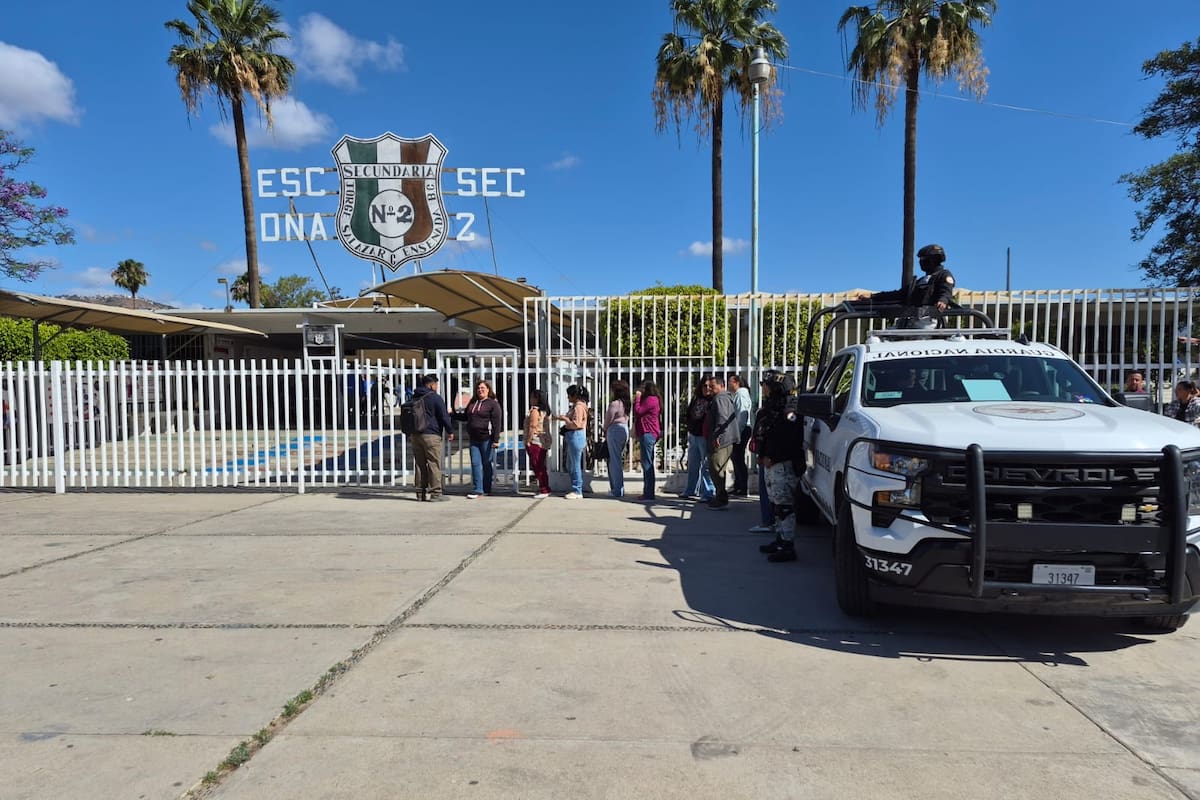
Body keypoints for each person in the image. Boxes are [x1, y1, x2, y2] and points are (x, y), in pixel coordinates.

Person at [755, 372, 804, 562]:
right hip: (771, 463)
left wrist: (773, 457)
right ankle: (779, 539)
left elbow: (790, 439)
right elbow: (768, 433)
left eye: (766, 385)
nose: (763, 388)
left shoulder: (790, 409)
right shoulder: (773, 406)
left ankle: (787, 545)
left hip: (783, 464)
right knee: (776, 504)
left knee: (784, 506)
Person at [860, 243, 956, 329]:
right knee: (884, 338)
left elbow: (946, 291)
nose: (921, 262)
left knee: (919, 339)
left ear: (934, 260)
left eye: (924, 259)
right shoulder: (918, 282)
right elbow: (898, 294)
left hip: (929, 321)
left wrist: (942, 301)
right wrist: (873, 296)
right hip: (909, 319)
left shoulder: (944, 275)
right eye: (920, 259)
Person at [409, 374, 455, 502]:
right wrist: (450, 431)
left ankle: (420, 493)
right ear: (431, 385)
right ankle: (435, 493)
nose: (436, 387)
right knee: (433, 463)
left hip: (415, 435)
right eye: (436, 384)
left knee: (419, 464)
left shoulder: (414, 397)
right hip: (431, 435)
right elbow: (444, 416)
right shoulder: (435, 398)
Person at [457, 379, 502, 499]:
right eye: (478, 388)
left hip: (486, 438)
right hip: (474, 439)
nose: (480, 390)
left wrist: (496, 440)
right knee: (475, 463)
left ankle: (487, 488)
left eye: (483, 388)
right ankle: (478, 489)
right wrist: (452, 414)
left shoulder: (493, 404)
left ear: (488, 390)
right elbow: (465, 416)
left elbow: (497, 423)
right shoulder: (473, 403)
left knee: (486, 464)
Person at [704, 374, 740, 510]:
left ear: (721, 386)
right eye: (708, 386)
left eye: (712, 386)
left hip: (722, 440)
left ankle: (721, 498)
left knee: (716, 468)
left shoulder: (720, 398)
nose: (710, 388)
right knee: (716, 468)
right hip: (723, 438)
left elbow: (723, 418)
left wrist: (718, 436)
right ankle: (720, 496)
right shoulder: (720, 398)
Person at [682, 375, 715, 501]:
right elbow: (689, 413)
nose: (707, 388)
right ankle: (691, 489)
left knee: (706, 465)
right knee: (693, 464)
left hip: (704, 436)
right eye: (704, 386)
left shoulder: (713, 400)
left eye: (709, 386)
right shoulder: (696, 399)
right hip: (694, 435)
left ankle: (708, 492)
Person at [555, 384, 588, 498]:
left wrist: (565, 419)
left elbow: (576, 424)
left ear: (574, 395)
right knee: (571, 464)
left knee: (574, 465)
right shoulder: (577, 406)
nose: (568, 398)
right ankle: (576, 488)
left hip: (576, 436)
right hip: (574, 436)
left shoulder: (578, 407)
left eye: (569, 395)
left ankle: (577, 490)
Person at [633, 380, 662, 501]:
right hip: (646, 433)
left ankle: (649, 493)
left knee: (647, 464)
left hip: (648, 433)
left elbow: (638, 411)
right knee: (647, 463)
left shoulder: (651, 399)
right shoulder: (652, 399)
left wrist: (638, 398)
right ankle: (648, 492)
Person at [605, 380, 632, 498]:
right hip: (624, 429)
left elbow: (608, 419)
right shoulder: (626, 404)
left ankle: (617, 489)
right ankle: (617, 488)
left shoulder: (615, 404)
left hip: (615, 430)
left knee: (614, 461)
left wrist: (604, 429)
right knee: (616, 460)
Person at [727, 374, 752, 496]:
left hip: (741, 430)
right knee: (736, 458)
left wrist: (737, 433)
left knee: (738, 458)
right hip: (739, 429)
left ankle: (742, 487)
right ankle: (738, 485)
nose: (728, 384)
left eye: (730, 382)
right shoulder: (739, 394)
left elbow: (742, 415)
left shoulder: (741, 394)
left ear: (736, 382)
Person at [524, 388, 552, 497]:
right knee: (540, 465)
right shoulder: (545, 411)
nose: (530, 399)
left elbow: (532, 426)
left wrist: (528, 440)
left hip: (535, 440)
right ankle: (544, 487)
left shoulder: (535, 411)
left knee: (538, 466)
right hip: (543, 441)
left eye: (532, 397)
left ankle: (544, 489)